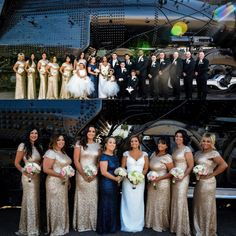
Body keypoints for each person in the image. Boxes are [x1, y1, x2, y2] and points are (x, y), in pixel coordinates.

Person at [193, 133, 228, 236]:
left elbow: (224, 165)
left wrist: (211, 174)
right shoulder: (198, 153)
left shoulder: (214, 154)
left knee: (207, 207)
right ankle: (198, 229)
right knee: (198, 205)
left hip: (208, 183)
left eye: (208, 141)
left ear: (212, 143)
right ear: (201, 141)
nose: (205, 143)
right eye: (204, 140)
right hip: (199, 182)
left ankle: (206, 231)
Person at [14, 127, 43, 236]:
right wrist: (24, 171)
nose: (34, 135)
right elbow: (16, 163)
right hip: (27, 177)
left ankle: (34, 226)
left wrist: (38, 168)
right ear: (28, 134)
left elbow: (41, 162)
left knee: (35, 199)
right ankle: (30, 229)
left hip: (36, 176)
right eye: (32, 133)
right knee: (30, 199)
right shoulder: (23, 146)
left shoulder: (39, 146)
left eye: (36, 133)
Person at [43, 134, 72, 236]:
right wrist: (59, 175)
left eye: (62, 140)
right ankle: (55, 228)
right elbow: (46, 169)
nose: (61, 141)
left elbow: (65, 167)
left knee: (62, 204)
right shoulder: (51, 152)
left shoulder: (63, 152)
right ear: (54, 141)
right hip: (54, 182)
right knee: (55, 204)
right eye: (58, 140)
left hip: (63, 182)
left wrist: (68, 180)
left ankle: (62, 226)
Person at [73, 126, 101, 232]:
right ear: (86, 132)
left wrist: (95, 173)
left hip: (94, 175)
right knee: (82, 198)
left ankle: (91, 223)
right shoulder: (79, 144)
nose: (91, 133)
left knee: (93, 198)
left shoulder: (98, 145)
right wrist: (83, 174)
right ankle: (81, 224)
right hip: (81, 175)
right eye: (89, 131)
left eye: (93, 131)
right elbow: (76, 160)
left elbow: (98, 161)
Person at [120, 135, 149, 232]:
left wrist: (140, 177)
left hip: (140, 181)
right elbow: (123, 168)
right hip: (127, 181)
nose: (134, 143)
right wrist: (129, 177)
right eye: (132, 141)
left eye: (135, 141)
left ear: (139, 142)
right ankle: (127, 223)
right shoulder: (126, 154)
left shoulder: (144, 154)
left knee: (138, 201)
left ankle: (137, 223)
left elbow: (145, 168)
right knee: (128, 201)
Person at [145, 136, 174, 232]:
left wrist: (159, 178)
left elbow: (171, 172)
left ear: (167, 146)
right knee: (152, 202)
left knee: (160, 203)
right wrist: (150, 176)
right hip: (152, 182)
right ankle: (150, 222)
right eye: (159, 143)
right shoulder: (154, 154)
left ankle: (160, 224)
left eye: (163, 143)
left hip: (162, 183)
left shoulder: (168, 157)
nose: (160, 145)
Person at [170, 130, 194, 236]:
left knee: (180, 200)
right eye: (176, 136)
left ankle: (182, 229)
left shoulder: (187, 149)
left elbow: (191, 165)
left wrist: (182, 176)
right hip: (175, 177)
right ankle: (175, 226)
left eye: (180, 136)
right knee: (175, 200)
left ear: (184, 138)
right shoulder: (175, 149)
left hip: (183, 178)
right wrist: (175, 174)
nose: (178, 138)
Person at [96, 137, 121, 234]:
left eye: (114, 143)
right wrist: (115, 179)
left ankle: (112, 227)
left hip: (114, 184)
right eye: (110, 142)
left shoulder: (115, 156)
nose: (112, 144)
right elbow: (103, 172)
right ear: (106, 144)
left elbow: (118, 170)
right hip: (106, 184)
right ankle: (105, 228)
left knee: (113, 204)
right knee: (106, 204)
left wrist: (120, 176)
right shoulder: (103, 156)